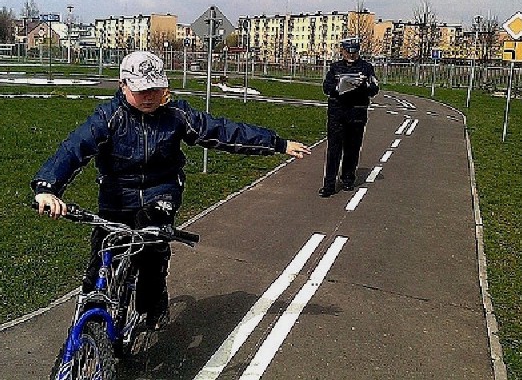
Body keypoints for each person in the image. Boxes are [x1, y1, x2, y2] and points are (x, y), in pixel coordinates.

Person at [32, 51, 311, 329]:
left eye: (155, 88)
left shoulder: (176, 116)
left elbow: (224, 132)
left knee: (151, 251)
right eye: (141, 90)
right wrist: (48, 187)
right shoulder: (109, 117)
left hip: (160, 195)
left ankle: (152, 307)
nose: (149, 96)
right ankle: (87, 338)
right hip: (116, 199)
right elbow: (72, 149)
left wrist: (278, 144)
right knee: (99, 267)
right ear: (123, 85)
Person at [319, 37, 379, 197]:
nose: (351, 55)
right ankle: (329, 184)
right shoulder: (335, 68)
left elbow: (374, 88)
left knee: (352, 148)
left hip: (357, 112)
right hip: (337, 112)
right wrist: (339, 87)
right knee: (334, 149)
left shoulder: (366, 68)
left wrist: (363, 86)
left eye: (354, 52)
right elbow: (326, 87)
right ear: (342, 51)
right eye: (348, 52)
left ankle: (348, 179)